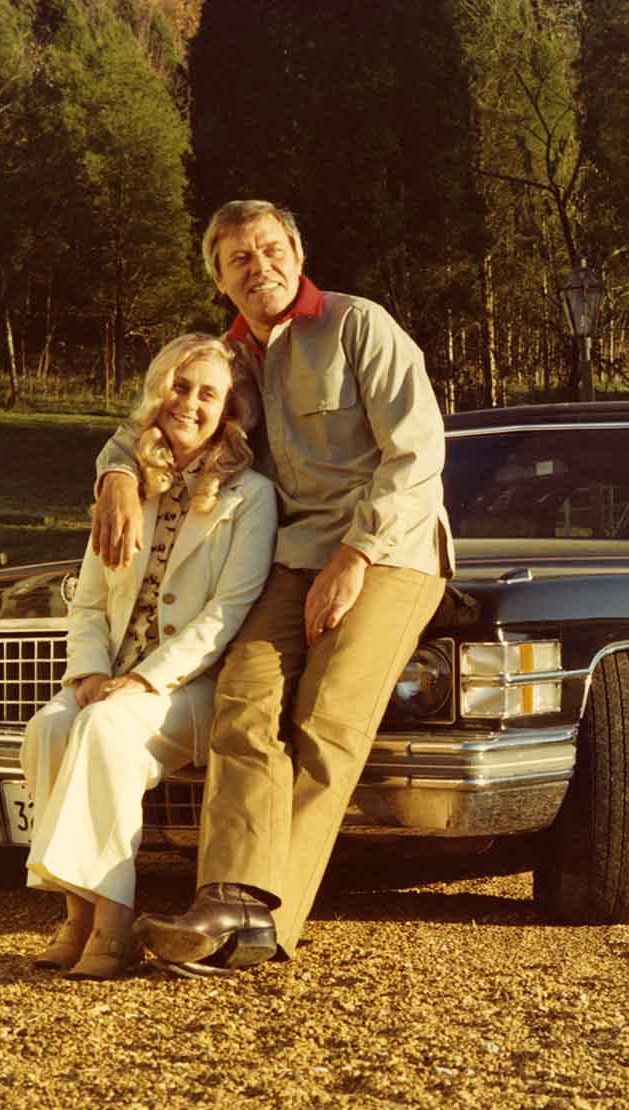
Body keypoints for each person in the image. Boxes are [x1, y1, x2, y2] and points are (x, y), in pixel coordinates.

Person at [90, 199, 453, 976]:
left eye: (270, 249)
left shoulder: (360, 326)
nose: (260, 268)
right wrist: (117, 472)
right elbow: (154, 414)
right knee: (245, 698)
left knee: (326, 720)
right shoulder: (228, 360)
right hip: (291, 557)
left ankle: (263, 918)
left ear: (297, 248)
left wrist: (356, 556)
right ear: (220, 280)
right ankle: (226, 898)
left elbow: (417, 454)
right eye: (239, 260)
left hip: (388, 550)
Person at [23, 333, 277, 980]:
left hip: (187, 691)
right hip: (109, 679)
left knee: (106, 729)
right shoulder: (129, 485)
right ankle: (76, 916)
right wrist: (88, 674)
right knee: (51, 726)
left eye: (208, 394)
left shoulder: (251, 498)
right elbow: (85, 603)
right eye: (180, 386)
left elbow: (227, 613)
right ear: (157, 390)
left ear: (229, 410)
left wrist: (140, 681)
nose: (190, 403)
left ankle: (112, 924)